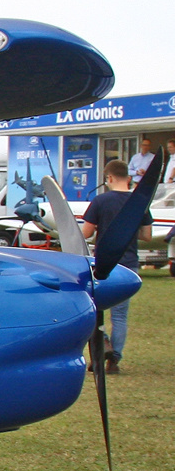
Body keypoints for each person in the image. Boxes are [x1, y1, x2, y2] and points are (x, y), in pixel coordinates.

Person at [82, 159, 150, 375]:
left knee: (95, 311)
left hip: (103, 265)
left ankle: (101, 349)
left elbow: (86, 233)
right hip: (129, 264)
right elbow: (147, 235)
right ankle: (115, 359)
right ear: (128, 178)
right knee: (120, 316)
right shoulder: (139, 202)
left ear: (108, 178)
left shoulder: (101, 201)